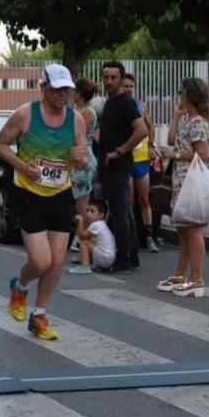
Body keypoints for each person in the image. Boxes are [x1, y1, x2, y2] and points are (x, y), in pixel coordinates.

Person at [0, 63, 88, 341]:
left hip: (60, 194)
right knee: (41, 260)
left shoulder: (76, 120)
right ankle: (20, 286)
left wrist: (81, 159)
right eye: (57, 89)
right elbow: (1, 144)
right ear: (43, 87)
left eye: (67, 90)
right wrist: (22, 166)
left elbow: (82, 158)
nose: (63, 95)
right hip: (28, 194)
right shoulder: (25, 115)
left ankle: (39, 315)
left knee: (57, 262)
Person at [157, 77, 209, 298]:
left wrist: (175, 155)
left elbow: (203, 154)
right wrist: (176, 115)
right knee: (183, 229)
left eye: (182, 92)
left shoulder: (198, 121)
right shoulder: (186, 119)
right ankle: (180, 273)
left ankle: (197, 279)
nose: (179, 95)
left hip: (192, 182)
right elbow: (172, 140)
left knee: (194, 228)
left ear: (189, 95)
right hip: (181, 180)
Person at [97, 60, 148, 273]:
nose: (109, 81)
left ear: (121, 79)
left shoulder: (125, 102)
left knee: (119, 212)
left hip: (118, 165)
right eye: (106, 77)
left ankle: (123, 260)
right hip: (110, 165)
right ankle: (132, 256)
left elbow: (142, 130)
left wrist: (119, 151)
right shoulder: (110, 102)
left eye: (113, 78)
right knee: (123, 211)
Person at [124, 73, 159, 253]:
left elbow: (150, 127)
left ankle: (149, 237)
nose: (128, 89)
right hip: (126, 159)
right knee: (129, 200)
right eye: (126, 86)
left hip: (142, 159)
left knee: (144, 199)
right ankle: (131, 238)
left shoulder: (140, 105)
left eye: (131, 86)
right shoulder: (116, 106)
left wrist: (151, 145)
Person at [68, 77, 99, 252]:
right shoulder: (80, 110)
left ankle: (83, 241)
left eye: (74, 91)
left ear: (79, 93)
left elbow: (78, 135)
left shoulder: (86, 112)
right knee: (78, 202)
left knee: (82, 204)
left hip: (84, 158)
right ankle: (80, 239)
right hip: (79, 158)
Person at [68, 200, 115, 274]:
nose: (88, 213)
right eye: (87, 210)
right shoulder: (101, 224)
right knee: (89, 241)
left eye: (92, 211)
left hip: (104, 258)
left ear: (101, 215)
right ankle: (86, 261)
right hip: (109, 259)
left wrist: (80, 221)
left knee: (84, 242)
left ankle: (85, 266)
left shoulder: (96, 224)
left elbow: (82, 237)